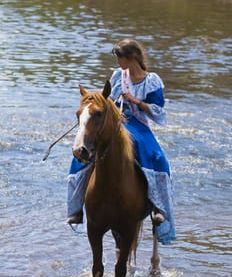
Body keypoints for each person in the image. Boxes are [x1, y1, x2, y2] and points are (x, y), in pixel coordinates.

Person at [67, 38, 175, 245]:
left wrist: (136, 102)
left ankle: (158, 207)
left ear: (131, 58)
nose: (118, 63)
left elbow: (159, 112)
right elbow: (106, 101)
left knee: (157, 157)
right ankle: (75, 208)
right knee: (82, 151)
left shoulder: (151, 80)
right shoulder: (118, 76)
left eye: (120, 58)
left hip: (138, 124)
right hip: (115, 120)